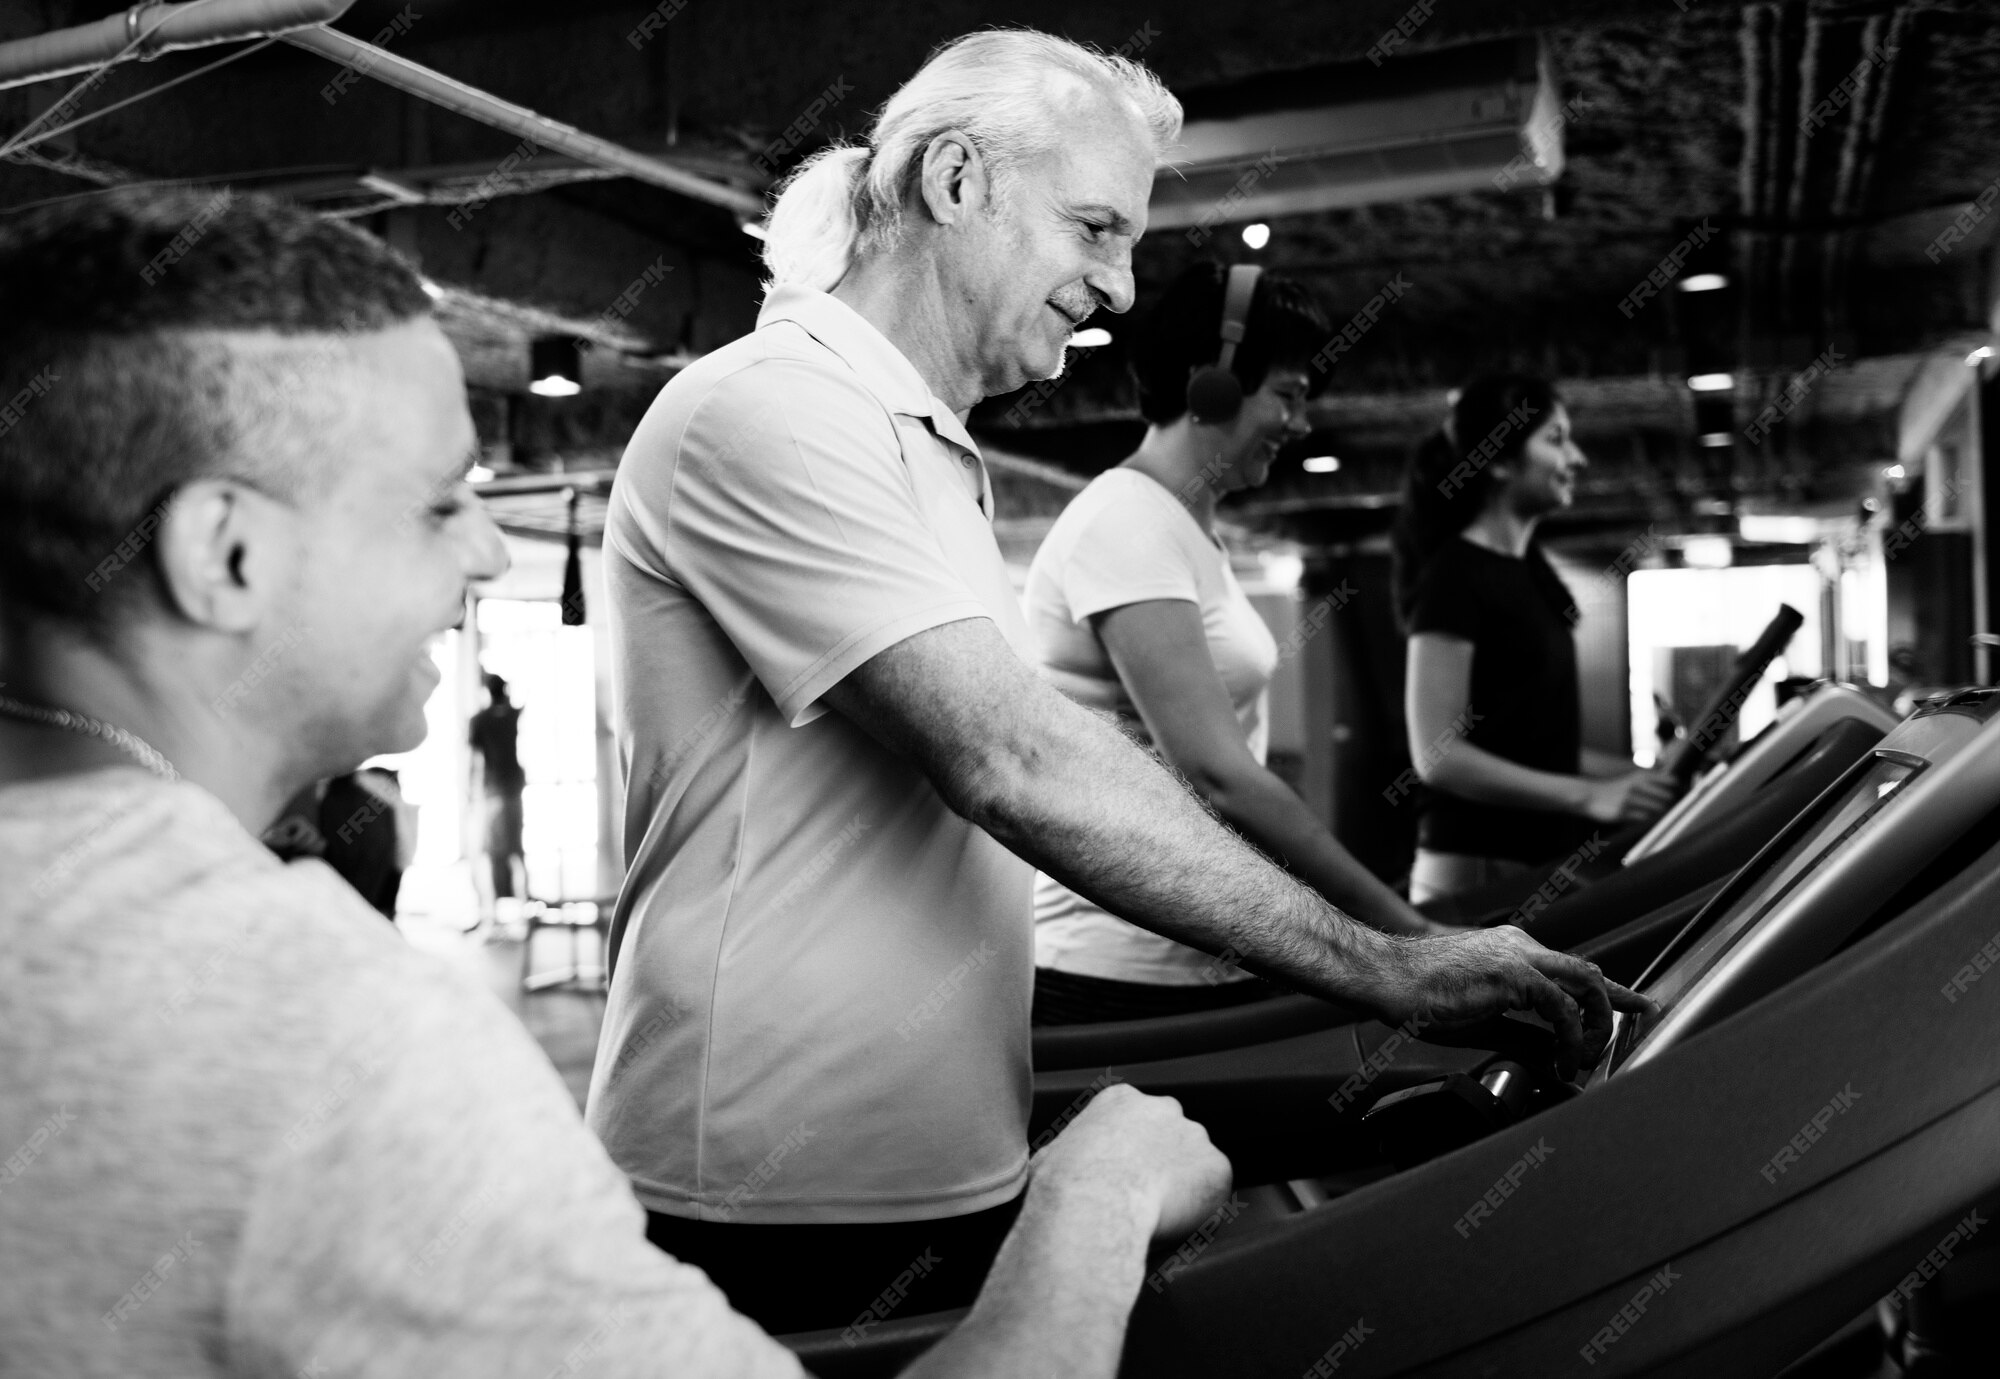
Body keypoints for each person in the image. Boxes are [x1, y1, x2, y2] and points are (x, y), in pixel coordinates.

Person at [0, 186, 1232, 1378]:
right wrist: (1095, 1204)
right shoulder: (321, 1034)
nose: (486, 549)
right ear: (227, 555)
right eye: (439, 505)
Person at [594, 27, 1648, 1336]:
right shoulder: (769, 408)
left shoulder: (925, 447)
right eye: (1095, 226)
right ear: (958, 181)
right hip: (765, 1180)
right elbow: (1016, 759)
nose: (1117, 284)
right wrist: (1391, 959)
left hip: (937, 1149)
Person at [1025, 263, 1454, 1027]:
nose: (1304, 422)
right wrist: (1404, 933)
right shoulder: (1126, 521)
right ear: (1213, 385)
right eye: (1289, 395)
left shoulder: (1190, 531)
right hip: (1116, 969)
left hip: (1201, 947)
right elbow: (1219, 774)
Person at [1391, 374, 1679, 903]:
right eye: (1556, 438)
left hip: (1530, 862)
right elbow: (1436, 754)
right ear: (1498, 461)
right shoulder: (1453, 577)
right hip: (1476, 865)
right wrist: (1588, 797)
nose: (1578, 457)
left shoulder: (1529, 573)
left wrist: (1638, 777)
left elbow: (1538, 746)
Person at [468, 669, 525, 927]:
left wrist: (470, 792)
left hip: (492, 792)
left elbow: (474, 761)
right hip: (513, 789)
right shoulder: (512, 715)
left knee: (493, 852)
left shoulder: (480, 720)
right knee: (516, 848)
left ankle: (492, 912)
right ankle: (523, 905)